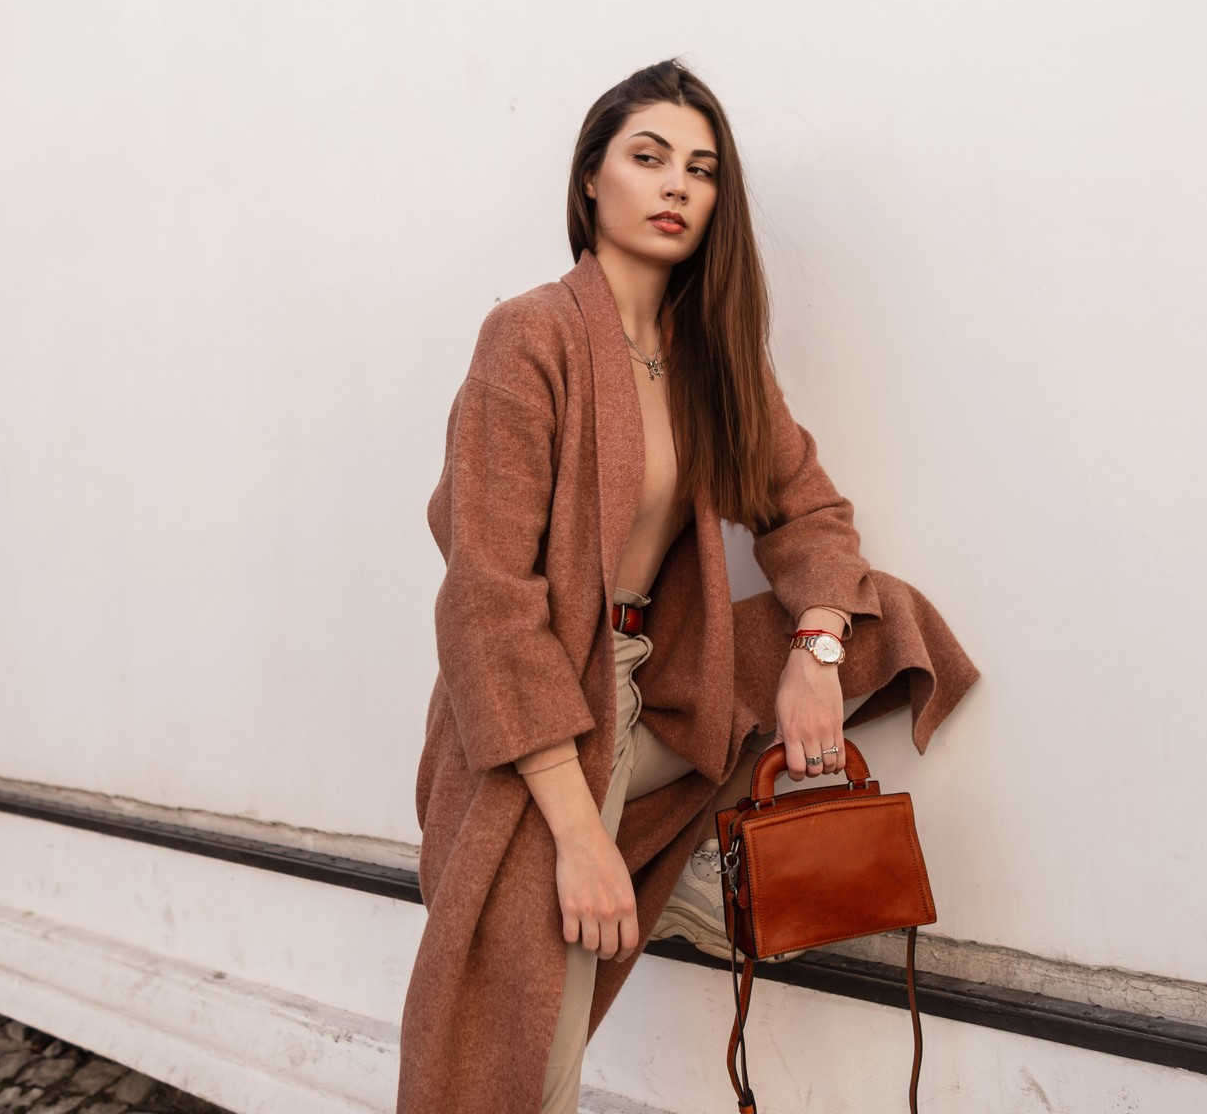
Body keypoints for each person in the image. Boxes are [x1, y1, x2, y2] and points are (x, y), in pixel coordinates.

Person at [396, 58, 981, 1114]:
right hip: (534, 712)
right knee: (521, 1052)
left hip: (658, 682)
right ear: (590, 180)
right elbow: (488, 604)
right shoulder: (528, 337)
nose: (677, 185)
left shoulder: (714, 356)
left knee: (874, 607)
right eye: (649, 157)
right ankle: (627, 855)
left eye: (702, 169)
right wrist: (581, 840)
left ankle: (669, 860)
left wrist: (816, 650)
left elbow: (810, 512)